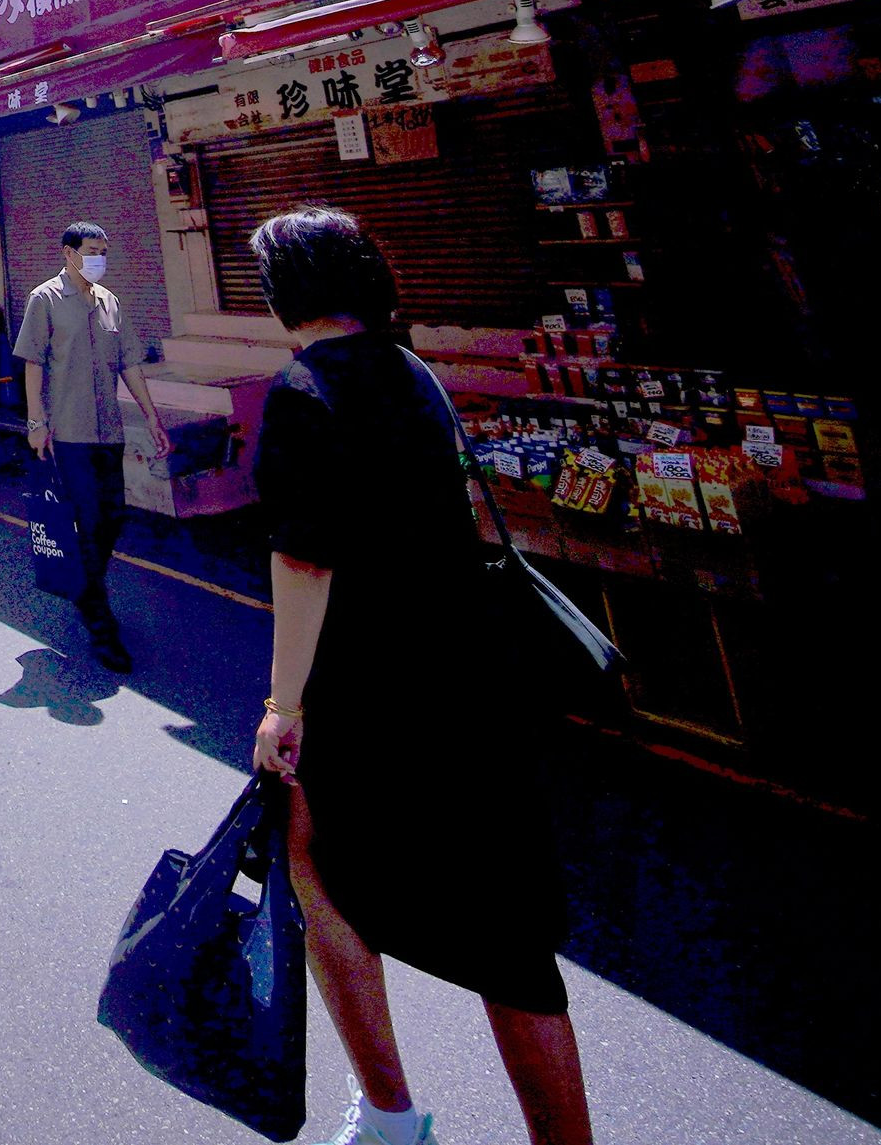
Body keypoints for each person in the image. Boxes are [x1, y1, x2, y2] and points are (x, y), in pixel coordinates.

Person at [246, 207, 596, 1145]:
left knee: (315, 864)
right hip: (471, 675)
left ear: (285, 294)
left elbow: (304, 560)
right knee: (508, 937)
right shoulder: (417, 373)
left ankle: (391, 1116)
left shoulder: (300, 389)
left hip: (367, 685)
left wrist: (283, 705)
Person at [15, 219, 135, 671]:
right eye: (91, 250)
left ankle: (85, 588)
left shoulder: (109, 302)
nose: (98, 258)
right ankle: (102, 626)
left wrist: (151, 416)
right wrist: (36, 423)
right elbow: (32, 364)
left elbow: (129, 363)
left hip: (110, 432)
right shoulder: (44, 299)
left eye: (103, 251)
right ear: (68, 253)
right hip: (68, 433)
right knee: (87, 519)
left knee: (113, 516)